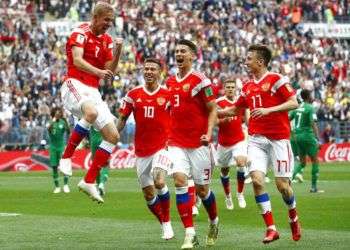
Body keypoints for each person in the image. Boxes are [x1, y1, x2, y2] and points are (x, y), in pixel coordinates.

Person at [218, 44, 301, 244]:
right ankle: (271, 228)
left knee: (283, 186)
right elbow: (234, 110)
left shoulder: (276, 80)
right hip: (256, 140)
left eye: (249, 59)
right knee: (256, 180)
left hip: (279, 139)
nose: (245, 62)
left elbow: (293, 102)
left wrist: (269, 110)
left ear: (260, 61)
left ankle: (293, 217)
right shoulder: (246, 87)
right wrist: (209, 112)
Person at [59, 2, 123, 203]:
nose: (109, 24)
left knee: (113, 135)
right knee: (91, 113)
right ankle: (66, 157)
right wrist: (98, 72)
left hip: (93, 91)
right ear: (95, 18)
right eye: (106, 20)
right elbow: (77, 61)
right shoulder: (80, 33)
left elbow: (109, 72)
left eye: (111, 21)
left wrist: (119, 50)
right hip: (74, 84)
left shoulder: (108, 41)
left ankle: (88, 180)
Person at [166, 39, 219, 249]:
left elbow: (213, 108)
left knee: (203, 190)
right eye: (176, 51)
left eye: (183, 51)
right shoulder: (170, 81)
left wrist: (208, 133)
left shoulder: (201, 80)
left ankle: (214, 221)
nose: (178, 54)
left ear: (192, 56)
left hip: (198, 143)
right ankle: (190, 233)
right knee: (180, 181)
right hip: (176, 142)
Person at [117, 58, 174, 240]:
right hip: (141, 150)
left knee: (159, 181)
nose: (149, 72)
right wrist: (111, 136)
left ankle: (167, 223)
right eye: (146, 68)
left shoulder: (168, 95)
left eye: (153, 69)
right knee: (149, 195)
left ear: (160, 72)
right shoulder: (133, 94)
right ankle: (163, 222)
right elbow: (122, 120)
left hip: (162, 147)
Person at [216, 79, 248, 210]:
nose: (230, 89)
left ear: (235, 88)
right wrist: (223, 120)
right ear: (224, 88)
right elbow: (213, 120)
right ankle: (228, 196)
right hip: (224, 143)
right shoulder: (218, 103)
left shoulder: (240, 102)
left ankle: (240, 193)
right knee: (224, 170)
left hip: (239, 140)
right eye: (228, 87)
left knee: (241, 163)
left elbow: (246, 116)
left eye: (232, 87)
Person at [289, 89, 323, 193]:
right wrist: (318, 139)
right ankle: (313, 187)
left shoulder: (298, 107)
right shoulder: (310, 108)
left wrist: (290, 132)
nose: (313, 96)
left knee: (302, 162)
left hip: (297, 137)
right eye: (311, 95)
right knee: (315, 160)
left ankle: (287, 183)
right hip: (307, 136)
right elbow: (313, 123)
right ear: (308, 96)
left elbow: (288, 119)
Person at [48, 108, 70, 194]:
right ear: (54, 114)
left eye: (59, 113)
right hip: (53, 147)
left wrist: (66, 123)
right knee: (54, 167)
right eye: (56, 113)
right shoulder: (50, 122)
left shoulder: (62, 122)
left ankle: (65, 185)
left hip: (61, 147)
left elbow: (68, 131)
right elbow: (49, 129)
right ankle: (57, 187)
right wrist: (53, 122)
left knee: (64, 166)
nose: (58, 114)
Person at [89, 127, 109, 196]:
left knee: (95, 165)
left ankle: (98, 187)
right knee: (106, 163)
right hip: (103, 139)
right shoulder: (106, 116)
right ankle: (102, 183)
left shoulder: (91, 116)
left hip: (93, 140)